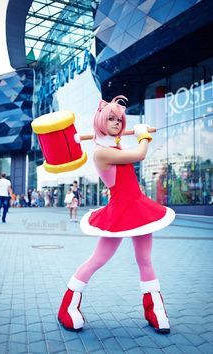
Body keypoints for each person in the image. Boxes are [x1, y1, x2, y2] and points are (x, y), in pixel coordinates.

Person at [58, 95, 175, 334]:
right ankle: (67, 307)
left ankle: (155, 310)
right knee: (98, 260)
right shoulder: (101, 153)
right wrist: (143, 134)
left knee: (145, 260)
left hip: (138, 207)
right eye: (110, 118)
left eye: (119, 119)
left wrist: (125, 132)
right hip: (119, 212)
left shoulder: (114, 144)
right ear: (100, 121)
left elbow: (120, 140)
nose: (117, 122)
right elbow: (139, 154)